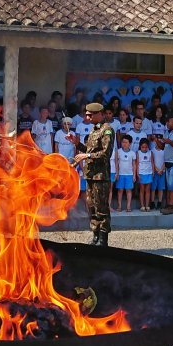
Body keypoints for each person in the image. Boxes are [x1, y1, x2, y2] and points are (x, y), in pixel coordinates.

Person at [73, 103, 114, 246]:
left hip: (101, 176)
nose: (87, 117)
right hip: (90, 175)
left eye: (90, 115)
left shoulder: (107, 130)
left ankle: (103, 239)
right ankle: (95, 235)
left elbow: (105, 153)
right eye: (87, 114)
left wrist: (86, 155)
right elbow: (89, 151)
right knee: (91, 207)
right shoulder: (93, 130)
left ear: (99, 114)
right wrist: (78, 144)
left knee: (102, 208)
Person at [114, 134, 137, 213]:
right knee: (120, 190)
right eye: (123, 142)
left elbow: (134, 164)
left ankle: (128, 206)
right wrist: (116, 173)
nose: (124, 144)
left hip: (129, 174)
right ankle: (119, 206)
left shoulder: (132, 153)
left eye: (126, 142)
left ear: (130, 143)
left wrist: (134, 175)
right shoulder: (118, 151)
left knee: (128, 190)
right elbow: (116, 163)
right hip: (121, 174)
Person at [136, 137, 155, 211]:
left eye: (146, 147)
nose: (144, 148)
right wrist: (137, 173)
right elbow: (137, 164)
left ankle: (147, 205)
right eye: (143, 147)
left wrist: (153, 172)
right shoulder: (138, 153)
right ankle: (142, 205)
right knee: (142, 190)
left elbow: (152, 163)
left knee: (148, 190)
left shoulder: (150, 153)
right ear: (140, 146)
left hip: (149, 173)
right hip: (141, 173)